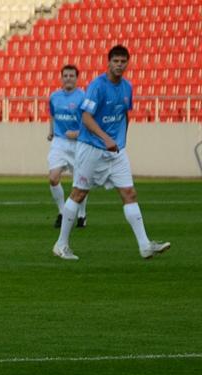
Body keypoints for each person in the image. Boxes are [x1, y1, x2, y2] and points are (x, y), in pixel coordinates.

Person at [53, 45, 170, 260]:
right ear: (109, 62)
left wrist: (121, 140)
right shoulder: (97, 86)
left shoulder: (127, 87)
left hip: (116, 152)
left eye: (123, 61)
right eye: (116, 61)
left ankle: (145, 245)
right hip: (91, 148)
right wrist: (106, 138)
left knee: (129, 193)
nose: (119, 65)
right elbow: (86, 118)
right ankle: (61, 245)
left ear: (127, 63)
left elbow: (124, 114)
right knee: (79, 193)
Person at [47, 64, 87, 228]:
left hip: (79, 143)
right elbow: (52, 115)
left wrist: (79, 133)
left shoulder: (83, 97)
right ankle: (62, 212)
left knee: (80, 182)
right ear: (61, 78)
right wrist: (51, 131)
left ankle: (82, 214)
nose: (68, 79)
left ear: (77, 78)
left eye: (71, 76)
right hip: (59, 142)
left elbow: (90, 119)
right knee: (53, 178)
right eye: (65, 76)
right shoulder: (54, 97)